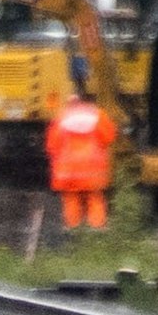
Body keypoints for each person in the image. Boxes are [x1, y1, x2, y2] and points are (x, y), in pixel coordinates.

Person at [45, 88, 116, 230]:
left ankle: (73, 229)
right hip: (93, 170)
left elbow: (51, 146)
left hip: (68, 172)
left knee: (71, 199)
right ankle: (97, 229)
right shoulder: (97, 115)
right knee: (94, 197)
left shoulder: (61, 119)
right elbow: (109, 137)